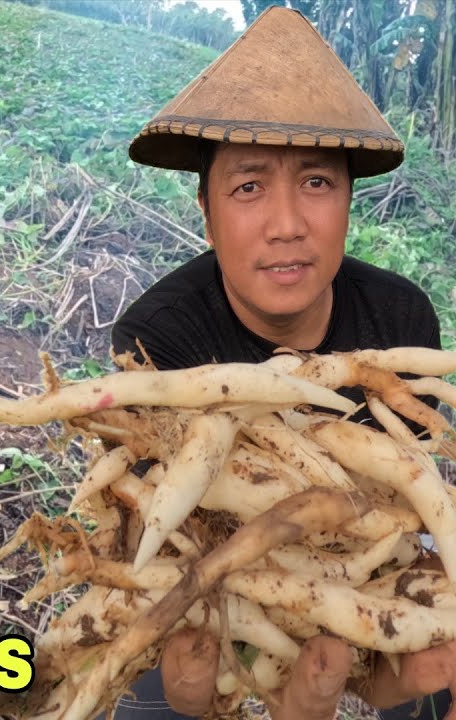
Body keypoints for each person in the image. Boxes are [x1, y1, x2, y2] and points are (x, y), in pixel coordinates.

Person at [108, 6, 455, 719]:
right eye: (248, 187)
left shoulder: (400, 318)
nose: (288, 223)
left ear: (351, 202)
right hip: (211, 604)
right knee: (159, 688)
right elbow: (164, 545)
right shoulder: (157, 338)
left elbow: (408, 517)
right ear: (206, 212)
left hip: (362, 601)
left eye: (319, 183)